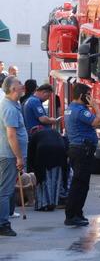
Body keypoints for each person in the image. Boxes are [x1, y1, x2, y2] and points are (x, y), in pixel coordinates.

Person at [64, 82, 100, 227]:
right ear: (82, 96)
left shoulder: (70, 109)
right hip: (82, 150)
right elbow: (98, 121)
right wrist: (96, 106)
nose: (90, 98)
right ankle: (72, 215)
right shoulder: (81, 111)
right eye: (88, 95)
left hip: (77, 149)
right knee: (80, 184)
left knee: (79, 183)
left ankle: (76, 213)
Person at [0, 76, 27, 237]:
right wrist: (19, 157)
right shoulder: (9, 108)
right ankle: (3, 224)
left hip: (8, 154)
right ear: (12, 89)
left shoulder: (12, 105)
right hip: (9, 155)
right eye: (19, 83)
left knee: (5, 190)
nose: (22, 85)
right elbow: (11, 135)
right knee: (5, 191)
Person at [27, 126, 67, 212]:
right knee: (56, 179)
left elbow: (30, 155)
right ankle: (53, 203)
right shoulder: (54, 132)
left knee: (43, 179)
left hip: (43, 152)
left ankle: (43, 204)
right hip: (60, 152)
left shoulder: (34, 136)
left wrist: (30, 170)